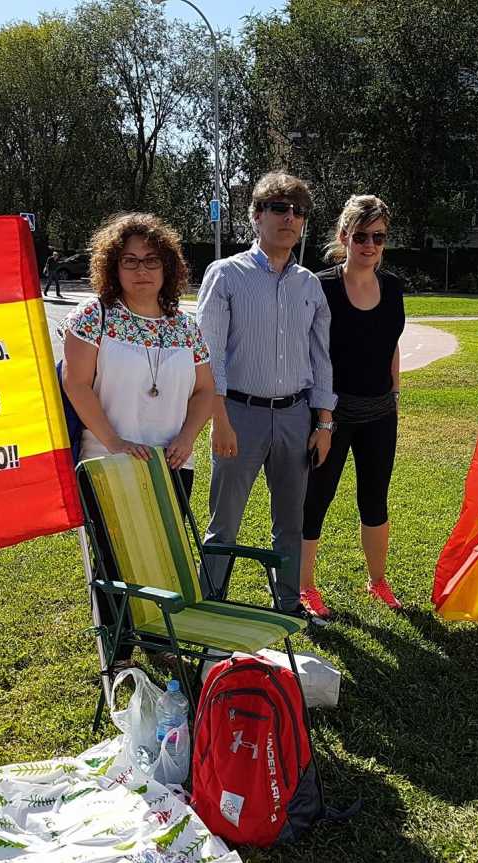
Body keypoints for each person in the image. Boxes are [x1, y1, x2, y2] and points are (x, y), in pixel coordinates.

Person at [197, 172, 334, 619]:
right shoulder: (226, 275)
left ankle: (288, 605)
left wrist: (325, 423)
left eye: (298, 212)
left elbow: (322, 359)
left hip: (295, 417)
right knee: (225, 523)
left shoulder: (309, 285)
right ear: (256, 216)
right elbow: (208, 351)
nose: (290, 218)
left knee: (290, 524)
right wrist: (219, 417)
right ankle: (212, 604)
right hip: (239, 413)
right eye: (279, 208)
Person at [300, 195, 405, 616]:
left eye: (378, 237)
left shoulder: (393, 286)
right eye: (361, 236)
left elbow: (391, 345)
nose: (370, 245)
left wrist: (396, 395)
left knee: (375, 498)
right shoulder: (321, 286)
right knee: (316, 499)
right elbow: (310, 352)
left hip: (380, 410)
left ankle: (378, 581)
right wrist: (322, 421)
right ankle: (305, 587)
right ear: (344, 237)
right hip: (330, 414)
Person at [61, 212, 214, 498]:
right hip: (107, 462)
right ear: (113, 267)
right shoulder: (94, 317)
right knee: (116, 544)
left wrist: (187, 438)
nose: (141, 270)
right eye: (129, 261)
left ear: (167, 267)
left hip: (173, 466)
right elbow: (75, 384)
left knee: (166, 543)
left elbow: (206, 391)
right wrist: (115, 443)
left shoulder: (186, 326)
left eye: (151, 260)